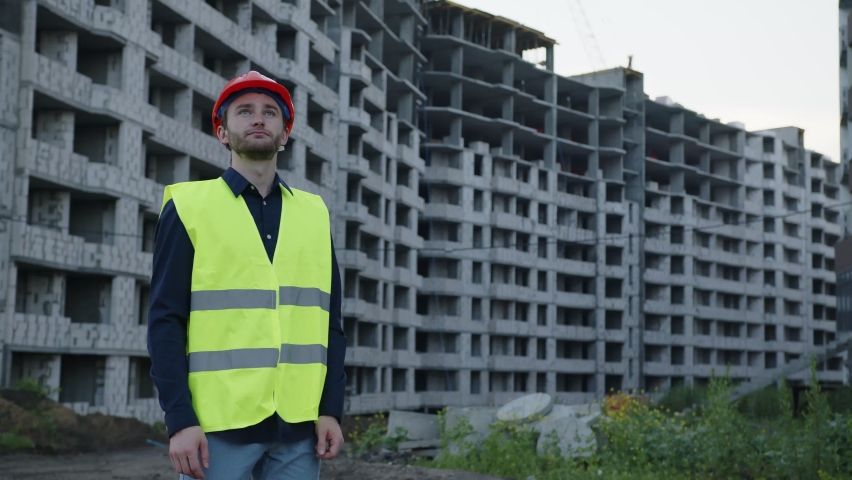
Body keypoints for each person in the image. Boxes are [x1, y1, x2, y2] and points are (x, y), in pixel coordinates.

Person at [147, 71, 347, 480]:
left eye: (270, 113)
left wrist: (330, 409)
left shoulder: (313, 213)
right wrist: (179, 419)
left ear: (285, 133)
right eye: (244, 112)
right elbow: (165, 320)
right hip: (218, 428)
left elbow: (331, 324)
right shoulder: (189, 206)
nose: (259, 119)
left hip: (298, 429)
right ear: (222, 132)